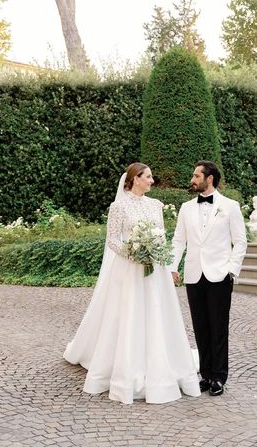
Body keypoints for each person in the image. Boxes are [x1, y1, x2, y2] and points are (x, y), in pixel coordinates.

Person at [63, 162, 200, 404]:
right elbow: (112, 240)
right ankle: (126, 365)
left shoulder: (156, 205)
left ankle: (161, 361)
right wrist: (133, 253)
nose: (152, 181)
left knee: (158, 313)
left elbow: (162, 236)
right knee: (127, 314)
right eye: (148, 176)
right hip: (128, 269)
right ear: (135, 178)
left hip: (154, 269)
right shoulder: (118, 207)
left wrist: (156, 254)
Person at [171, 160, 247, 396]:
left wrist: (231, 270)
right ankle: (205, 375)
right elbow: (178, 241)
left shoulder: (231, 206)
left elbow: (241, 241)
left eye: (196, 176)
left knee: (218, 327)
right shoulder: (186, 208)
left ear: (209, 178)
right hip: (194, 275)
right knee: (200, 327)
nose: (192, 180)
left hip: (220, 275)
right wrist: (172, 266)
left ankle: (219, 377)